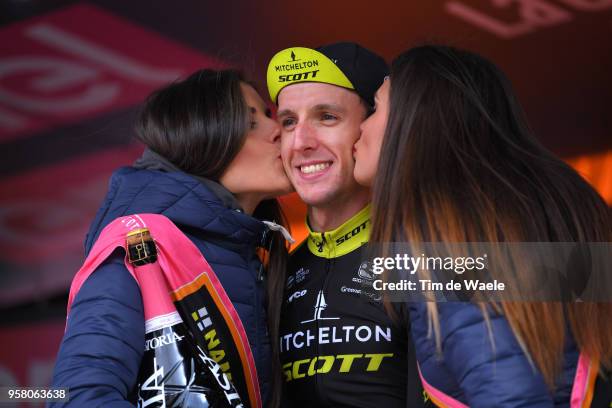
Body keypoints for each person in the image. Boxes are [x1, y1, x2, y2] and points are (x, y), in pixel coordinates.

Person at [354, 45, 612, 406]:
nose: (360, 127)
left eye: (376, 108)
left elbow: (512, 398)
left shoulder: (452, 231)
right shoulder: (552, 205)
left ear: (415, 119)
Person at [50, 68, 293, 407]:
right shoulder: (137, 246)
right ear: (200, 139)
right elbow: (74, 398)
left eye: (268, 116)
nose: (278, 130)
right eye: (251, 124)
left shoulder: (259, 250)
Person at [266, 42, 425, 407]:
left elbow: (577, 278)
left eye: (327, 117)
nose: (301, 142)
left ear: (373, 126)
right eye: (289, 122)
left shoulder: (427, 252)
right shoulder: (274, 270)